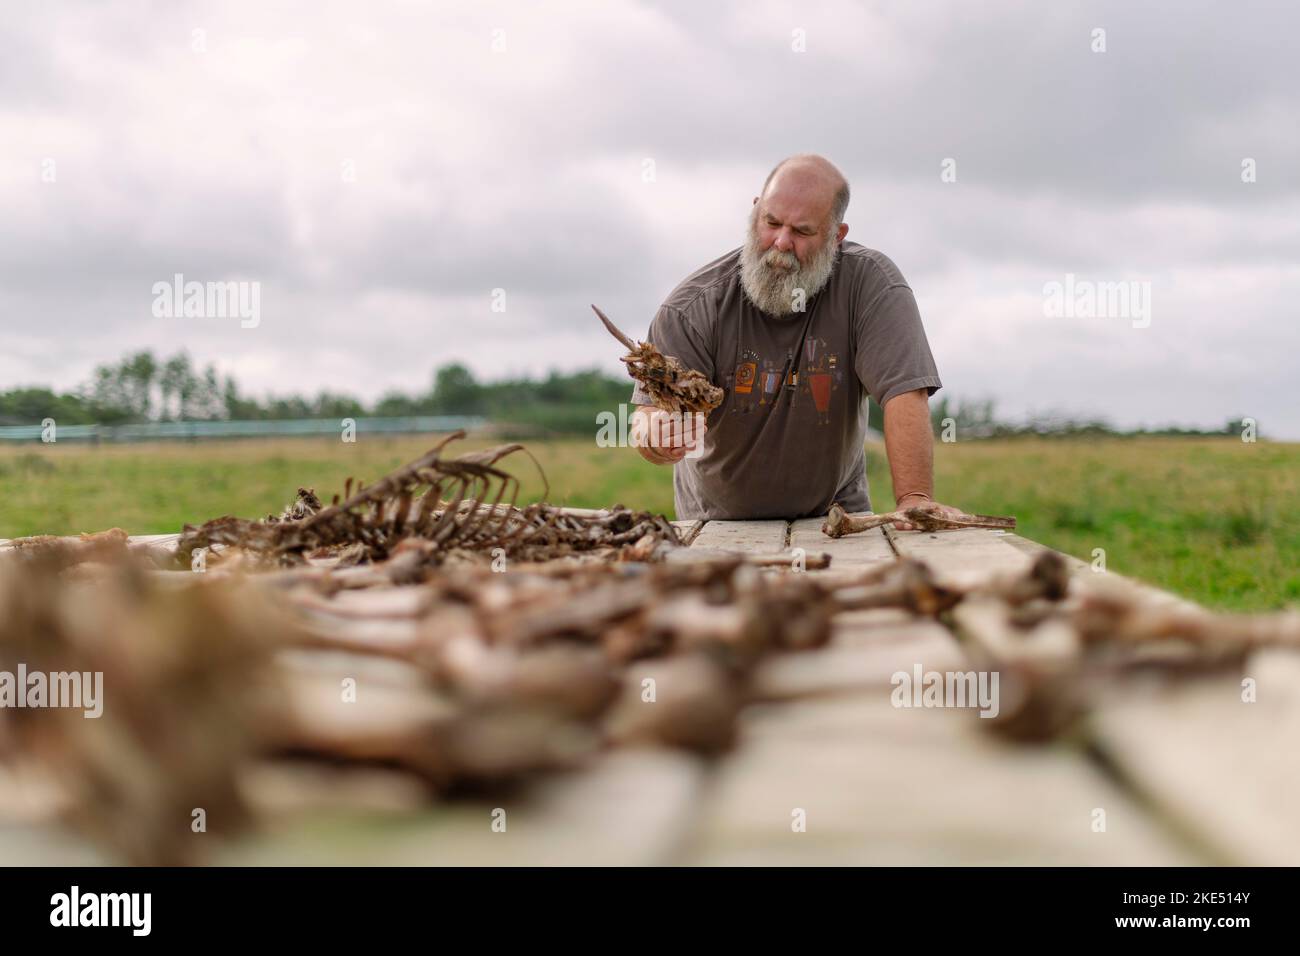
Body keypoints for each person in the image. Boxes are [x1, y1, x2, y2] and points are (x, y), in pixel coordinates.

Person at [629, 153, 963, 530]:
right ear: (755, 211)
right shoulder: (690, 308)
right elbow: (646, 417)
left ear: (837, 236)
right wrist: (657, 435)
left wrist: (914, 499)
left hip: (838, 519)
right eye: (771, 223)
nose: (781, 243)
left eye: (803, 232)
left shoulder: (872, 285)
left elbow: (903, 393)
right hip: (715, 524)